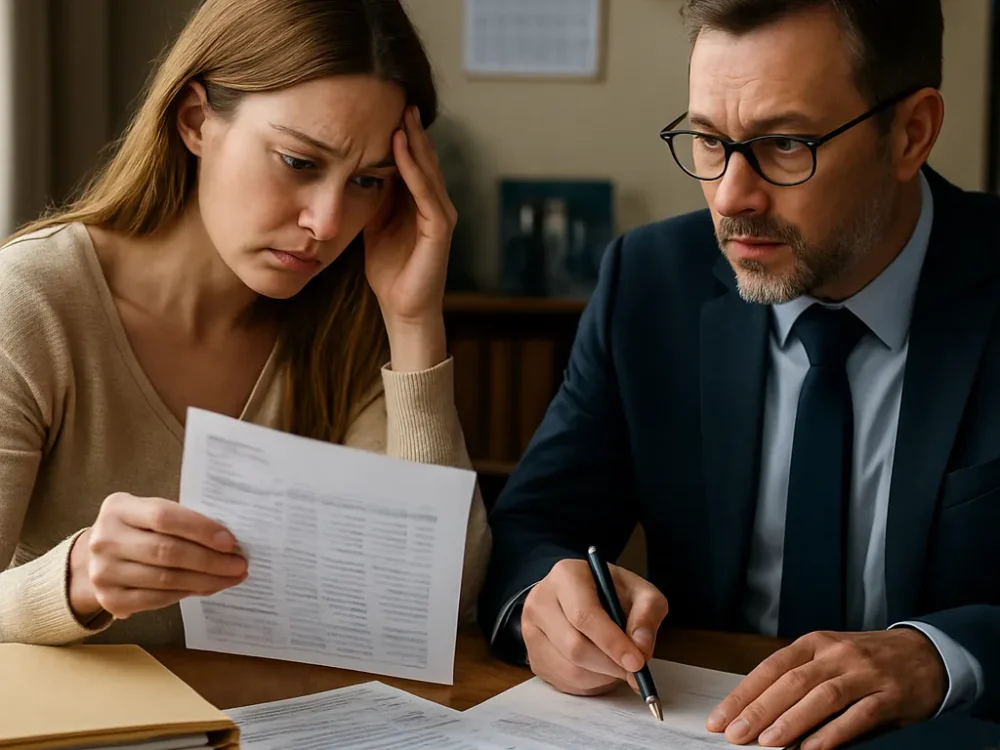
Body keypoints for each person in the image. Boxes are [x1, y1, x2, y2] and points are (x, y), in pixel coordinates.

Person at [479, 0, 998, 747]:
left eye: (786, 144)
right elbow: (534, 526)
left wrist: (945, 658)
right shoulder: (650, 281)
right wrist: (547, 599)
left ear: (911, 133)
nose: (730, 196)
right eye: (708, 141)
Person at [0, 0, 490, 649]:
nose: (329, 222)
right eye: (299, 162)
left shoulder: (350, 320)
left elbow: (439, 599)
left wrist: (413, 321)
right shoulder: (33, 303)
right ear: (196, 120)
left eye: (368, 181)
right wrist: (74, 578)